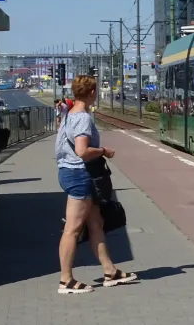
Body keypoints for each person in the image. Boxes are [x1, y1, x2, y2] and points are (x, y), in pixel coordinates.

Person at [55, 74, 137, 294]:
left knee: (95, 224)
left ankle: (110, 271)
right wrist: (103, 151)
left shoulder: (69, 113)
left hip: (71, 172)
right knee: (72, 229)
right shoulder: (81, 117)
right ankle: (66, 280)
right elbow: (82, 151)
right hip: (79, 175)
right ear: (92, 93)